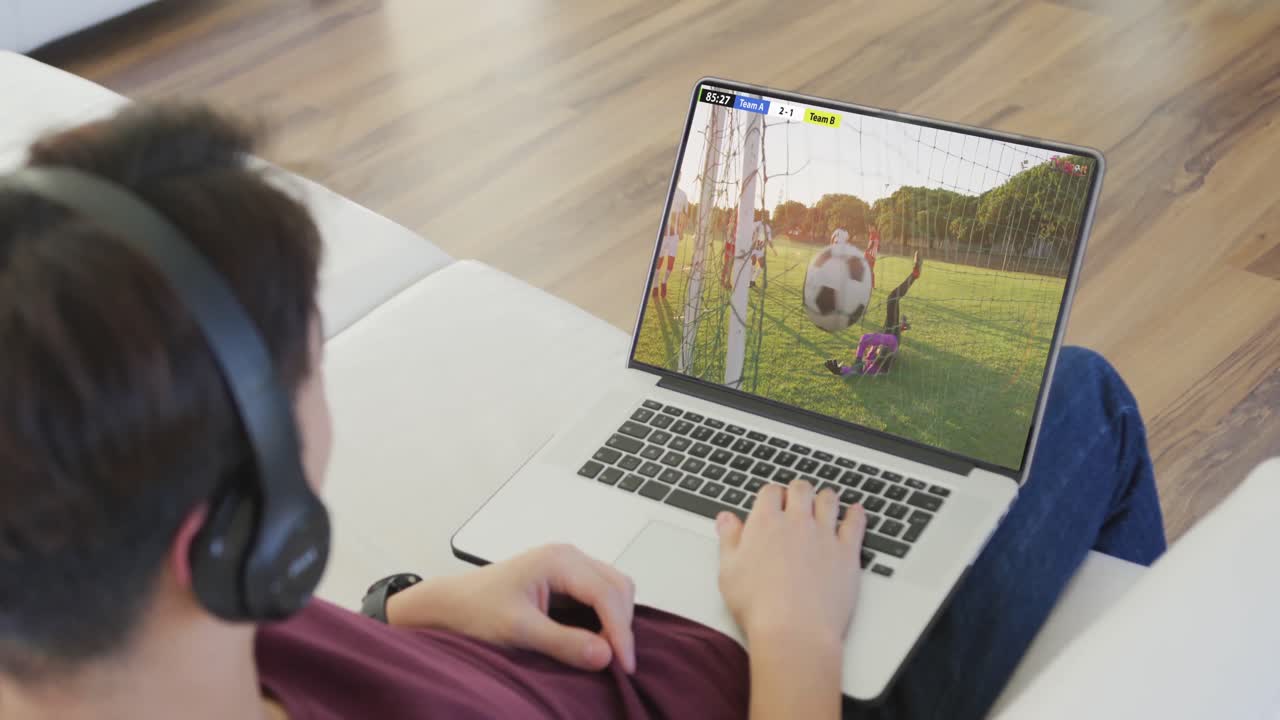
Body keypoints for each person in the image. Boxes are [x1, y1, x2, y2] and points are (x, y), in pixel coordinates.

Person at [0, 105, 1166, 720]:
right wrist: (798, 637)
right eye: (306, 371)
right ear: (234, 539)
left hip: (613, 629)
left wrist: (413, 611)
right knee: (1085, 401)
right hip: (789, 674)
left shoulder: (119, 627)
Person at [826, 252, 922, 377]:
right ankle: (914, 275)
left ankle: (902, 326)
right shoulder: (889, 348)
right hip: (892, 336)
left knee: (892, 308)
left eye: (876, 350)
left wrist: (843, 369)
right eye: (879, 348)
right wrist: (859, 361)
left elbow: (855, 370)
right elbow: (868, 340)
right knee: (892, 299)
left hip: (890, 335)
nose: (875, 349)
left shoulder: (873, 366)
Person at [652, 187, 688, 299]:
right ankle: (655, 285)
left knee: (670, 265)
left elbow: (685, 215)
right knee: (658, 264)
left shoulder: (683, 195)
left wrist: (681, 230)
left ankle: (664, 282)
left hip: (674, 236)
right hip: (662, 235)